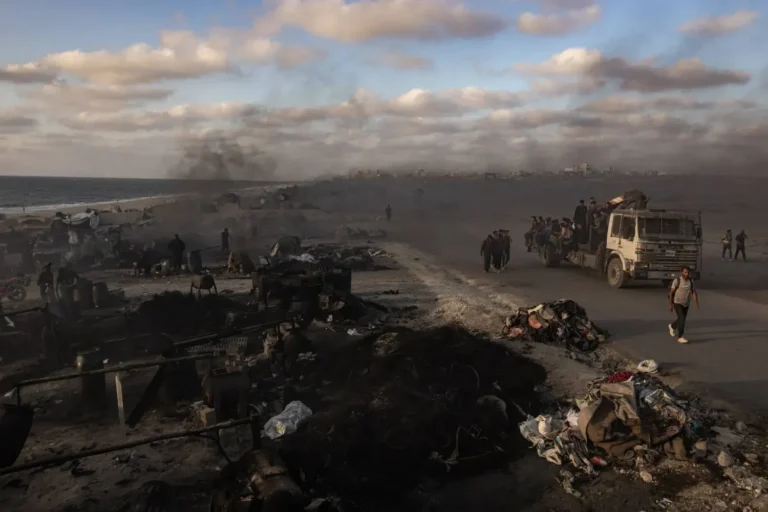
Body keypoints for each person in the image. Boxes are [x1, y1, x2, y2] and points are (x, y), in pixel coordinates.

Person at [668, 266, 699, 344]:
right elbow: (671, 293)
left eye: (688, 272)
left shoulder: (691, 281)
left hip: (686, 303)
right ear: (682, 272)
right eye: (685, 272)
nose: (687, 274)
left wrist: (697, 303)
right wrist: (670, 304)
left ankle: (672, 326)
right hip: (677, 302)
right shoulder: (677, 280)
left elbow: (693, 292)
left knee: (682, 319)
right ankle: (680, 336)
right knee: (682, 318)